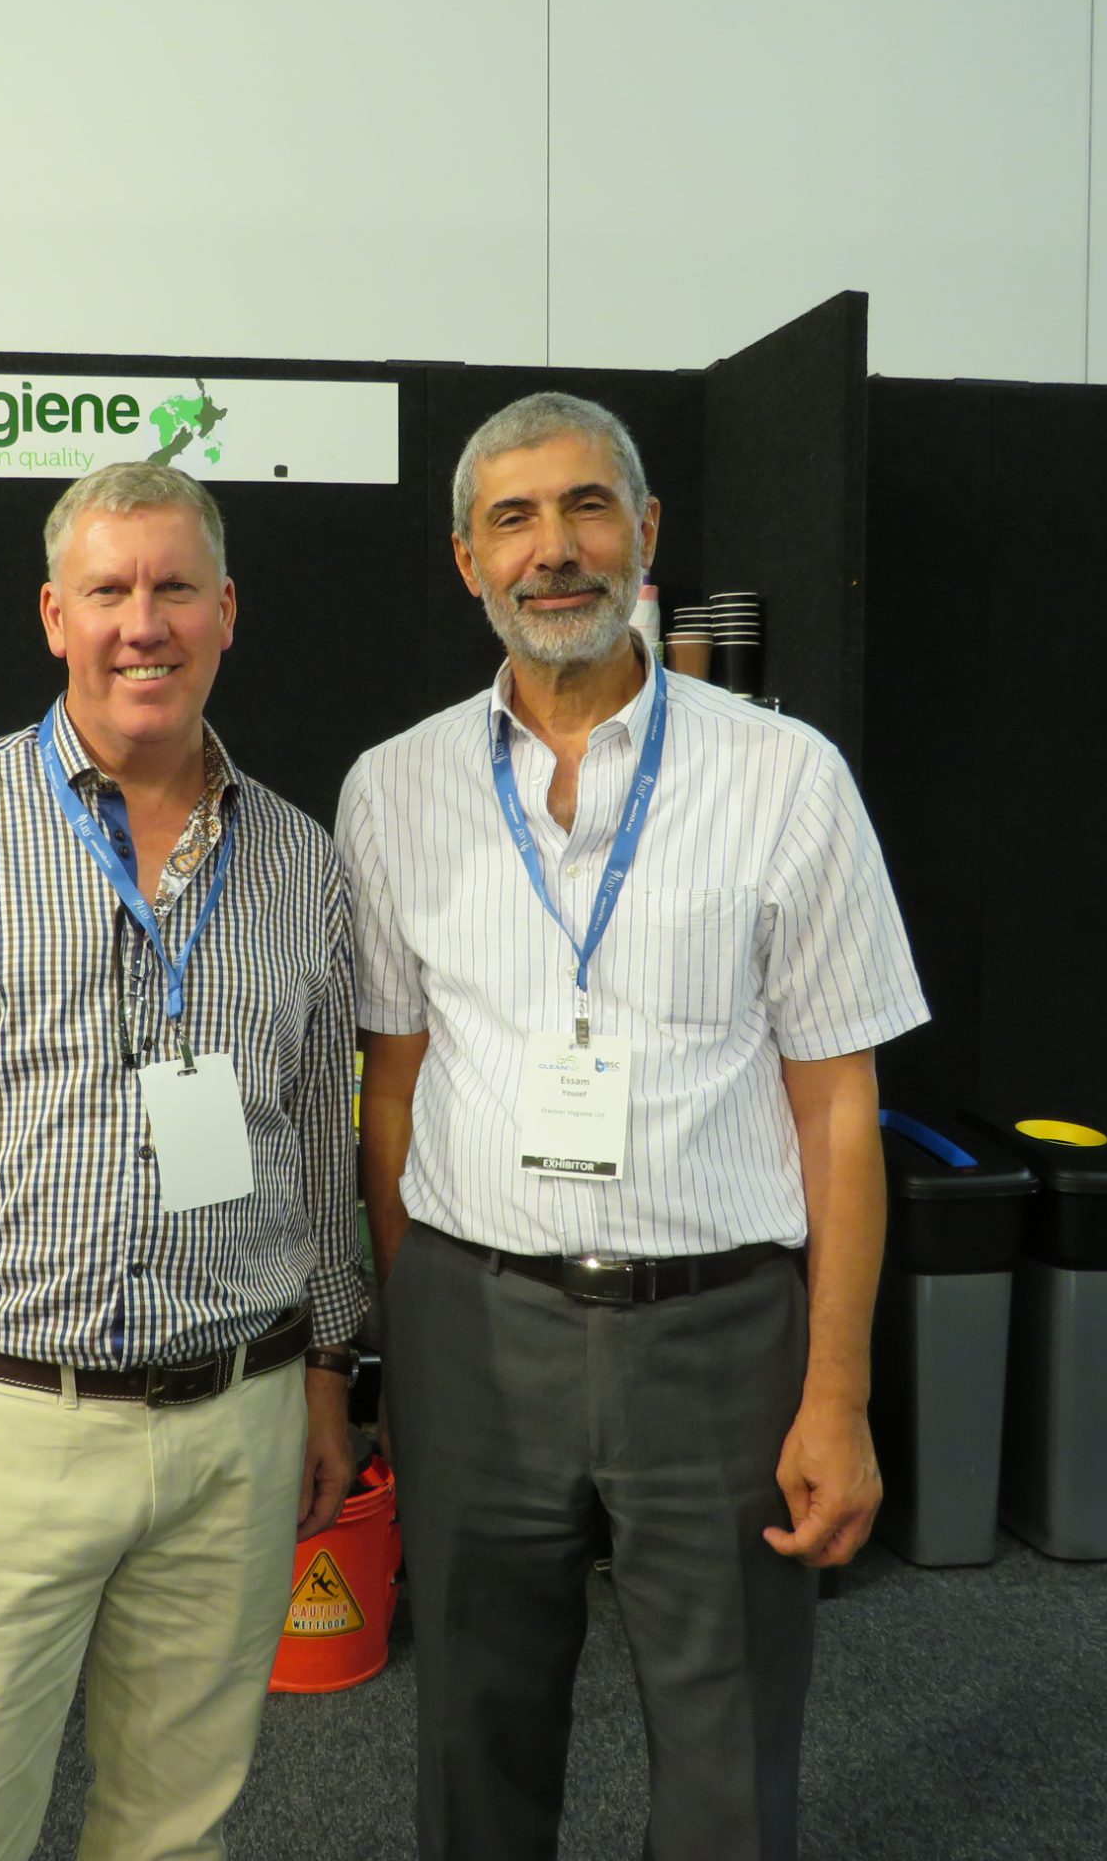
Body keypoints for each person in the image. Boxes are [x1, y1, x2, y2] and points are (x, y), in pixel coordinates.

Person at [338, 391, 927, 1860]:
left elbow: (839, 1109)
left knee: (730, 1761)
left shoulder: (786, 778)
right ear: (468, 560)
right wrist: (419, 1331)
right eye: (514, 519)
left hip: (719, 1342)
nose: (554, 549)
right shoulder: (394, 790)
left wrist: (838, 1392)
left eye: (587, 506)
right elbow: (390, 1087)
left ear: (646, 532)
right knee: (474, 1742)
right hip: (476, 1332)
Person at [0, 459, 367, 1861]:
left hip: (239, 1423)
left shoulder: (301, 863)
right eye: (109, 591)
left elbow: (314, 1139)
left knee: (175, 1831)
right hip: (6, 1433)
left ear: (228, 612)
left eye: (175, 590)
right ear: (56, 616)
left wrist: (330, 1375)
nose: (142, 624)